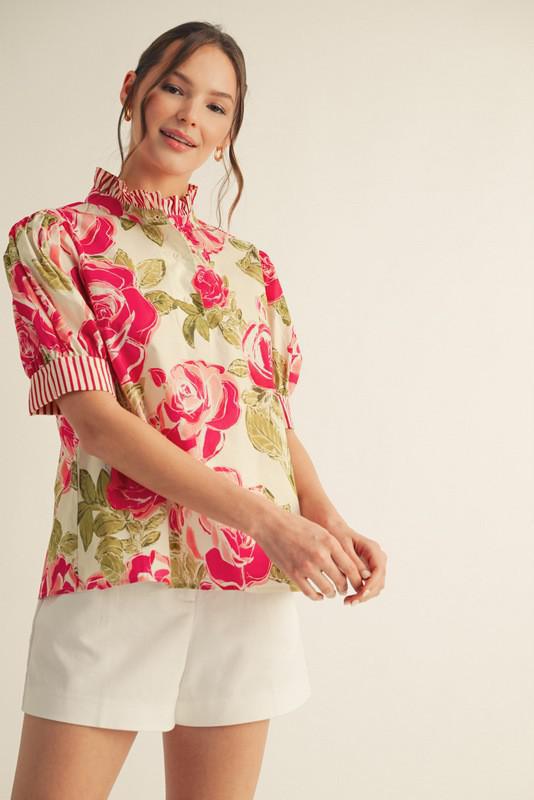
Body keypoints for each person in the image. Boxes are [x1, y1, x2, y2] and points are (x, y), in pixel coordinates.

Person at [4, 20, 387, 800]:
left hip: (249, 579)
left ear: (229, 133)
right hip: (114, 567)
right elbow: (96, 421)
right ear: (132, 90)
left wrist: (328, 522)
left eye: (217, 106)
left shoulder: (249, 268)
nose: (189, 115)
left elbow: (272, 425)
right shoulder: (52, 240)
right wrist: (273, 523)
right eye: (175, 87)